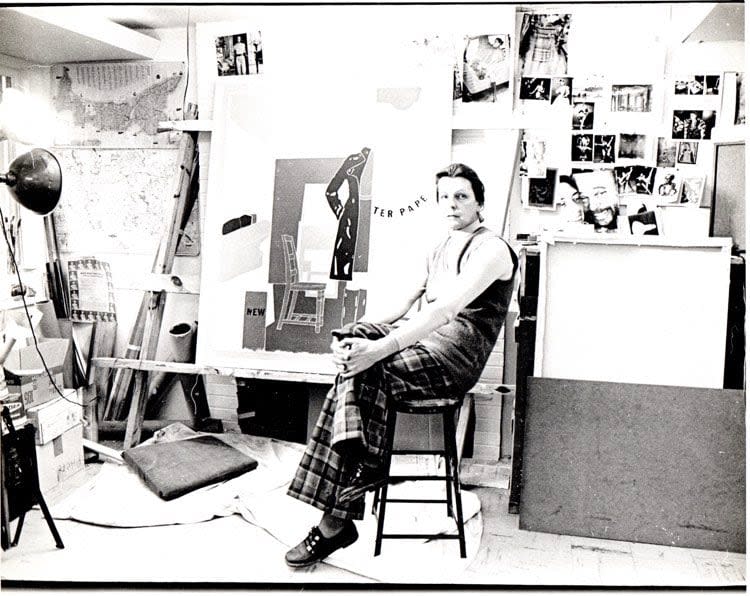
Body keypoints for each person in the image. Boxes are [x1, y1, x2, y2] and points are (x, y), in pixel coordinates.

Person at [284, 163, 518, 568]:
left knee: (365, 367)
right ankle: (360, 475)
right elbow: (403, 306)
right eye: (445, 197)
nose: (452, 204)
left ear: (480, 202)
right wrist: (359, 338)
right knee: (351, 342)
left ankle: (341, 510)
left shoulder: (492, 249)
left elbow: (444, 311)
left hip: (454, 357)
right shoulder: (440, 245)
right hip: (422, 341)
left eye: (462, 196)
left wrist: (377, 351)